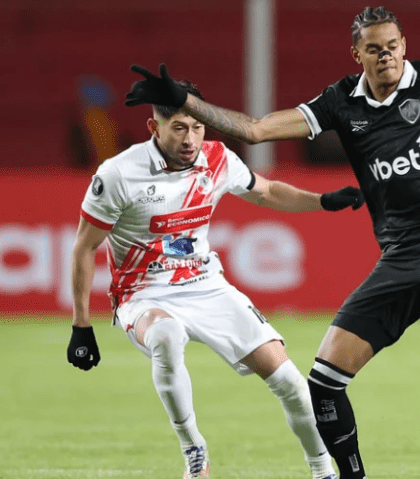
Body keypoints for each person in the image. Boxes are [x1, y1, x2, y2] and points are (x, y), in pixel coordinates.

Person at [123, 6, 420, 478]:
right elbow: (255, 129)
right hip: (400, 258)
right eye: (373, 50)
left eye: (392, 47)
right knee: (323, 383)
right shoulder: (340, 102)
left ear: (404, 46)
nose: (385, 57)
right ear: (357, 54)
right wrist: (185, 104)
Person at [68, 78, 366, 479]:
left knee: (292, 383)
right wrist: (81, 326)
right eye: (178, 127)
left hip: (206, 286)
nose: (190, 138)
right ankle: (193, 448)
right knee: (167, 337)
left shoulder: (217, 158)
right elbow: (84, 247)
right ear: (154, 129)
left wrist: (322, 201)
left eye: (197, 127)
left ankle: (321, 470)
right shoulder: (119, 174)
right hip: (144, 293)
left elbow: (267, 192)